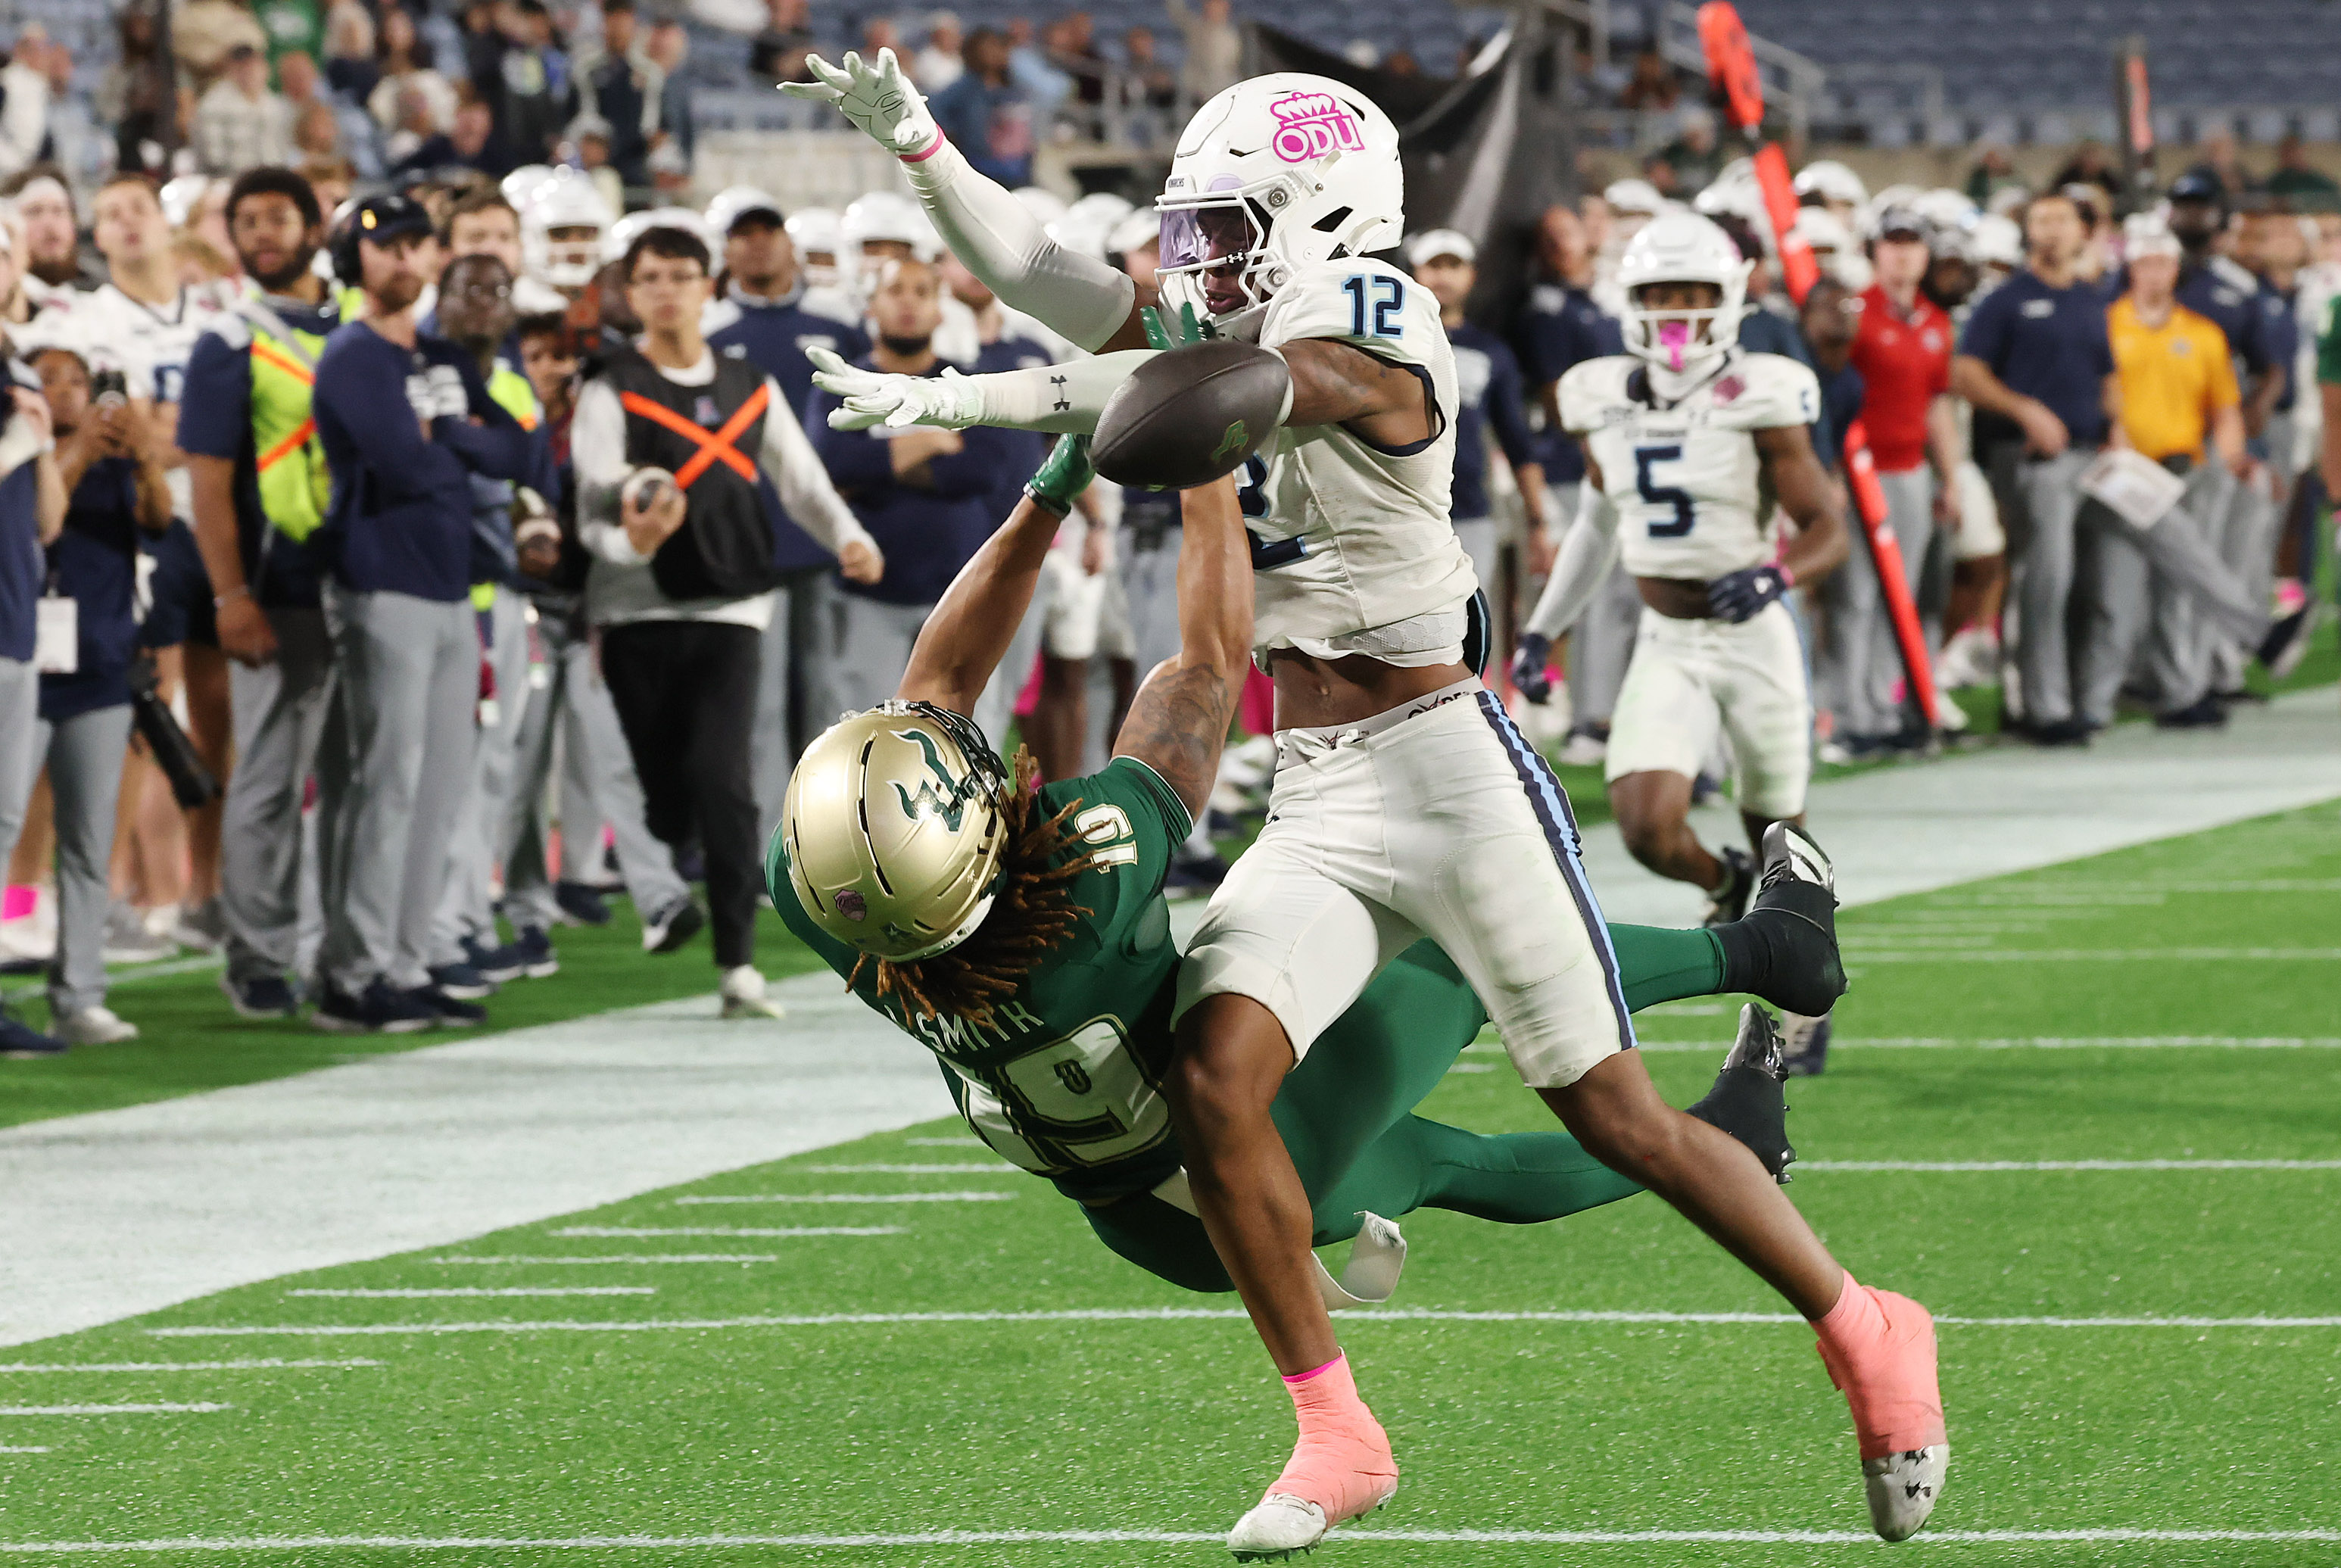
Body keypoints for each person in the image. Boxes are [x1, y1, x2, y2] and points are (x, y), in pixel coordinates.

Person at [790, 54, 1945, 1554]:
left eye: (1224, 232)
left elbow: (1213, 403)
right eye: (1188, 232)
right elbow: (1042, 267)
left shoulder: (1371, 315)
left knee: (1613, 1114)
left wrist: (988, 396)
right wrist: (923, 149)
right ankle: (1336, 1430)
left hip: (1450, 765)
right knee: (1215, 1081)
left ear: (1324, 217)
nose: (1194, 266)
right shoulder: (1217, 314)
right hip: (1319, 783)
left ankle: (1862, 1324)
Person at [772, 435, 1843, 1326]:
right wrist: (1198, 462)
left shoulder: (838, 898)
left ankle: (1738, 1138)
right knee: (1462, 955)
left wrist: (1048, 494)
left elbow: (936, 685)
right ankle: (1761, 948)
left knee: (1441, 1164)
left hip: (1141, 1220)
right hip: (1250, 1147)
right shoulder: (1080, 889)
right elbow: (1204, 663)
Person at [572, 224, 879, 1018]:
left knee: (725, 778)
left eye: (681, 275)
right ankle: (672, 848)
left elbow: (801, 481)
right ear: (631, 292)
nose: (667, 291)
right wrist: (631, 540)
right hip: (635, 607)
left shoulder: (748, 383)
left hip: (734, 604)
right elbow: (593, 500)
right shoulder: (609, 386)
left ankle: (737, 963)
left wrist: (848, 537)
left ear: (706, 288)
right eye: (650, 278)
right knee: (665, 793)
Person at [1515, 210, 1850, 930]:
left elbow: (1828, 528)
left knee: (1780, 836)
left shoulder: (1762, 393)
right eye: (1661, 295)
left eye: (1693, 293)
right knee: (1645, 827)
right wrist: (1543, 630)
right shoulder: (1599, 395)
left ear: (1727, 298)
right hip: (1667, 636)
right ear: (1632, 299)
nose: (1677, 312)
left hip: (1754, 634)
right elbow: (1597, 525)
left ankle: (1801, 963)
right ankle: (1724, 882)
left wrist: (1774, 577)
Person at [310, 192, 547, 1032]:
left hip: (450, 587)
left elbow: (519, 450)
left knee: (440, 787)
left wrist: (447, 436)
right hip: (382, 583)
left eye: (416, 245)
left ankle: (407, 963)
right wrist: (458, 439)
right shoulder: (354, 354)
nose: (405, 260)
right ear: (356, 260)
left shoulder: (439, 350)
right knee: (387, 786)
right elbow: (407, 468)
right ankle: (353, 973)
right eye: (387, 247)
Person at [179, 167, 349, 1018]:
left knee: (357, 778)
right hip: (279, 588)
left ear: (315, 227)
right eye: (246, 221)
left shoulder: (361, 321)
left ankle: (344, 948)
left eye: (278, 217)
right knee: (271, 778)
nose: (262, 235)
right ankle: (257, 954)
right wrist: (230, 595)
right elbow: (208, 485)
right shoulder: (227, 340)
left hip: (368, 582)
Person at [497, 310, 697, 946]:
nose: (551, 369)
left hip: (591, 613)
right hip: (523, 609)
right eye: (536, 355)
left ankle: (659, 896)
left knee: (616, 756)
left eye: (562, 357)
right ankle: (526, 905)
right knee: (521, 767)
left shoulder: (604, 429)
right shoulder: (500, 421)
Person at [702, 188, 873, 842]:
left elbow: (870, 414)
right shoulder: (711, 330)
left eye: (767, 231)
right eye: (743, 234)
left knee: (830, 697)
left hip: (823, 543)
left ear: (788, 241)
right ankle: (771, 844)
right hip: (745, 545)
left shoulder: (838, 325)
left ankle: (826, 836)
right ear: (726, 249)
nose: (757, 244)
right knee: (760, 704)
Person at [19, 334, 175, 1043]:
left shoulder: (115, 465)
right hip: (23, 666)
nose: (64, 390)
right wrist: (79, 446)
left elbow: (159, 521)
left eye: (77, 380)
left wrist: (145, 455)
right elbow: (40, 522)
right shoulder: (20, 459)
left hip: (101, 667)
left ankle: (80, 993)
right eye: (48, 378)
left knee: (88, 839)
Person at [422, 250, 560, 990]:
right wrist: (495, 459)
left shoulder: (507, 377)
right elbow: (460, 461)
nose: (483, 302)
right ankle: (437, 927)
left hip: (501, 592)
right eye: (468, 289)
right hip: (444, 591)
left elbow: (529, 469)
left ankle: (469, 916)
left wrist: (534, 513)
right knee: (442, 772)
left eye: (497, 291)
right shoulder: (419, 362)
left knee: (491, 768)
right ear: (440, 295)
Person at [805, 256, 1012, 721]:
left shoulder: (966, 385)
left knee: (968, 742)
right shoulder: (842, 384)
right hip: (869, 594)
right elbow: (833, 464)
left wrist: (876, 468)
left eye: (922, 292)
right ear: (870, 306)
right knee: (867, 740)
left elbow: (982, 470)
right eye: (895, 291)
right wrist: (929, 441)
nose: (908, 304)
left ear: (940, 310)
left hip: (960, 592)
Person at [1951, 189, 2118, 745]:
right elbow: (1966, 374)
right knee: (2044, 578)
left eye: (2061, 221)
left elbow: (2107, 373)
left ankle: (2081, 696)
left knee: (2095, 579)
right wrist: (2025, 410)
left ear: (2083, 232)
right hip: (2027, 458)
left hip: (2092, 454)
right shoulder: (2005, 300)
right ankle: (2038, 706)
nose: (2051, 231)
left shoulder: (2090, 299)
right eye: (2041, 221)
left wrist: (2117, 426)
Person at [2081, 213, 2249, 731]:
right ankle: (2096, 703)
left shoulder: (2202, 333)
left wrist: (2228, 458)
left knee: (2178, 591)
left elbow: (2224, 407)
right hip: (2125, 474)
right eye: (2145, 262)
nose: (2154, 272)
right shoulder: (2105, 323)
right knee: (2116, 593)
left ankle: (2180, 691)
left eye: (2163, 263)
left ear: (2176, 268)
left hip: (2183, 471)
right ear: (2131, 267)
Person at [1831, 205, 1962, 753]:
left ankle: (1884, 708)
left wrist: (1950, 476)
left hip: (1911, 470)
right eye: (1893, 242)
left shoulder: (1935, 322)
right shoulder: (1854, 314)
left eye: (1912, 243)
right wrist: (1833, 472)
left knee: (1900, 596)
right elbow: (1835, 399)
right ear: (1874, 250)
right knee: (1857, 594)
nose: (1903, 253)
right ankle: (1849, 715)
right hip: (1862, 471)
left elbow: (1937, 404)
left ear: (1927, 254)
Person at [1518, 202, 1629, 763]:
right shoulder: (1548, 308)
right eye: (1552, 235)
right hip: (1572, 464)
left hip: (1615, 458)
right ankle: (1587, 716)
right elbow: (1560, 398)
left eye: (1572, 230)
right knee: (1587, 590)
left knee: (1617, 595)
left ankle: (1609, 710)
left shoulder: (1607, 297)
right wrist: (1603, 445)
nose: (1563, 243)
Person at [1407, 229, 1549, 645]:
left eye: (1453, 266)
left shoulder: (1491, 352)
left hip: (1470, 512)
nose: (1443, 276)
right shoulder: (1393, 342)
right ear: (1414, 273)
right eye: (1434, 266)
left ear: (1471, 275)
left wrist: (1539, 523)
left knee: (1468, 635)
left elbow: (1518, 442)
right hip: (1404, 511)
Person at [0, 342, 70, 1057]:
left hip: (16, 622)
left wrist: (43, 446)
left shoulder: (18, 377)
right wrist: (19, 443)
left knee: (4, 816)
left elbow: (49, 521)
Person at [925, 29, 1033, 188]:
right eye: (988, 48)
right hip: (979, 166)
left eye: (999, 46)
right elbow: (934, 109)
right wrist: (951, 143)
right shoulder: (965, 88)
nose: (995, 52)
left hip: (1016, 169)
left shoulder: (1014, 88)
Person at [572, 0, 661, 189]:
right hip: (595, 163)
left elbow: (653, 126)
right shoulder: (587, 69)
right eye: (612, 20)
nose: (618, 28)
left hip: (637, 163)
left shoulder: (648, 73)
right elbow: (581, 115)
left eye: (623, 20)